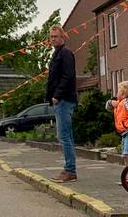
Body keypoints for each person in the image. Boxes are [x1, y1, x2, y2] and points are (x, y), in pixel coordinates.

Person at [45, 25, 77, 182]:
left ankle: (70, 170)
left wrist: (57, 95)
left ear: (62, 37)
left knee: (64, 135)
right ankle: (70, 169)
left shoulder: (65, 54)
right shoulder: (57, 54)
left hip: (64, 100)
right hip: (60, 100)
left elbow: (67, 76)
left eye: (55, 36)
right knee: (66, 135)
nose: (53, 39)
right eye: (51, 37)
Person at [108, 80, 128, 177]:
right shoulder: (118, 103)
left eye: (118, 91)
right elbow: (107, 107)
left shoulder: (126, 101)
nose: (116, 93)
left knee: (127, 154)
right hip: (124, 133)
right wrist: (110, 102)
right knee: (125, 156)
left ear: (122, 93)